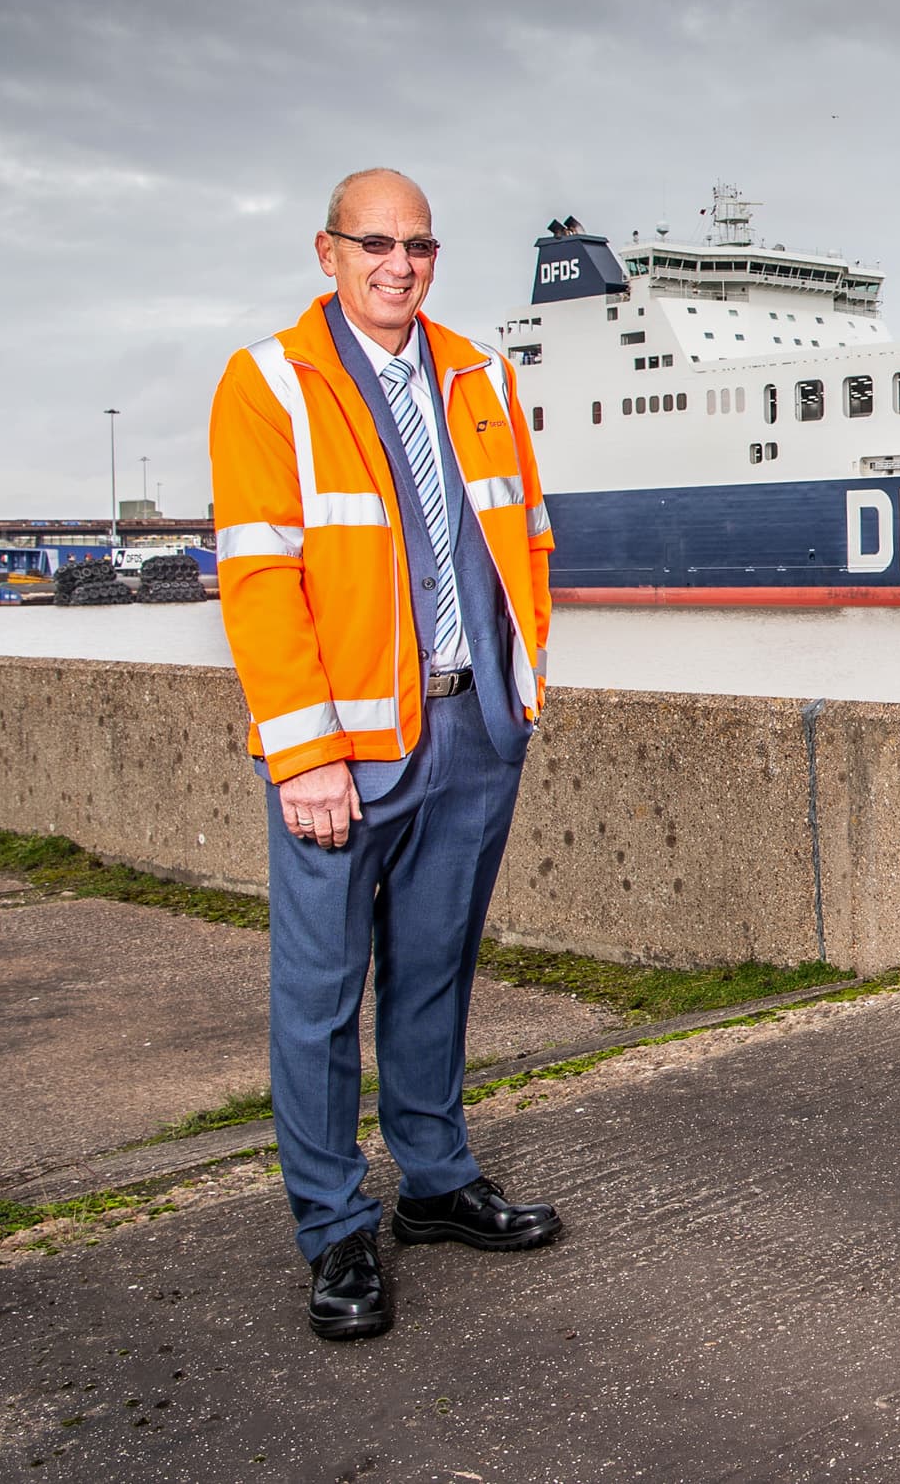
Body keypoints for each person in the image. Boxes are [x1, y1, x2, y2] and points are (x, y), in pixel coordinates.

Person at [208, 167, 561, 1340]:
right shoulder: (270, 382)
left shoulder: (480, 373)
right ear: (327, 253)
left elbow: (527, 536)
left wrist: (518, 697)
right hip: (346, 746)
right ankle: (333, 1228)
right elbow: (259, 577)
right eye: (374, 243)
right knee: (318, 997)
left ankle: (437, 1180)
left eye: (417, 244)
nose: (397, 264)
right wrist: (302, 751)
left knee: (436, 970)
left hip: (471, 731)